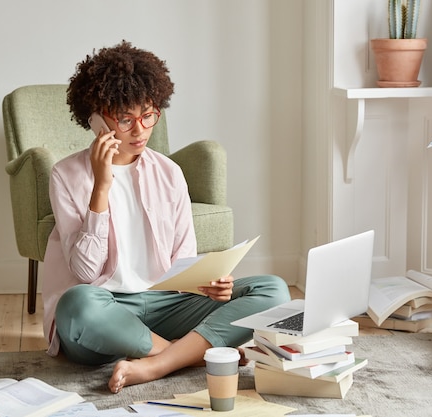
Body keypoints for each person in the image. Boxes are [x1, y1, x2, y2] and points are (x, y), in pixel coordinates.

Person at [40, 41, 291, 393]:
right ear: (96, 119)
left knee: (273, 290)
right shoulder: (66, 175)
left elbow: (182, 266)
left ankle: (157, 365)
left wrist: (209, 285)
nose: (140, 130)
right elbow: (84, 273)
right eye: (125, 119)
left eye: (148, 114)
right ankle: (185, 354)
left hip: (166, 303)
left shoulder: (169, 172)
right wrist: (101, 186)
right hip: (104, 309)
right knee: (76, 305)